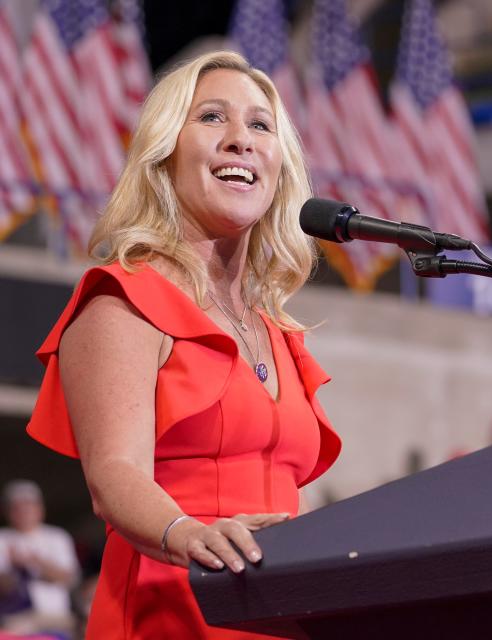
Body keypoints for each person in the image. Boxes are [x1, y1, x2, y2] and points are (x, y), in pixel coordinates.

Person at [25, 51, 341, 638]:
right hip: (172, 607)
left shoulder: (278, 330)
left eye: (260, 125)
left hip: (281, 611)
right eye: (213, 118)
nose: (240, 141)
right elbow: (114, 474)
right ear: (164, 153)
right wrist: (188, 535)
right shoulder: (123, 301)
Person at [0, 480, 79, 636]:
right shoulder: (3, 538)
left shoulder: (57, 536)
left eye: (28, 506)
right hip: (16, 618)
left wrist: (35, 563)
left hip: (55, 616)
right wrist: (15, 567)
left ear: (40, 509)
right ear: (7, 511)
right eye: (17, 508)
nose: (24, 512)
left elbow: (69, 578)